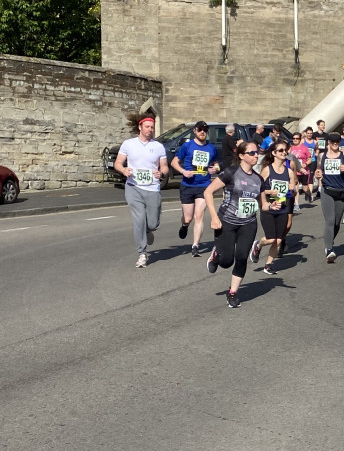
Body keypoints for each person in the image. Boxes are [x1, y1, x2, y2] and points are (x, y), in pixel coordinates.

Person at [205, 141, 280, 308]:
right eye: (252, 153)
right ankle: (217, 254)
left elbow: (263, 204)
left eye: (257, 153)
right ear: (241, 156)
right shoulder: (231, 173)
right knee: (226, 262)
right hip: (227, 221)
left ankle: (232, 293)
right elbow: (208, 192)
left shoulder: (259, 179)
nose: (256, 156)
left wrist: (271, 206)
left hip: (248, 223)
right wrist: (213, 217)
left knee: (241, 258)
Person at [113, 112, 168, 268]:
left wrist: (161, 173)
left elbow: (164, 167)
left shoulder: (158, 147)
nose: (150, 129)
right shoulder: (128, 144)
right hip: (133, 187)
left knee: (152, 223)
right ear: (140, 127)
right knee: (138, 220)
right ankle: (142, 253)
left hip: (152, 189)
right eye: (147, 127)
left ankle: (148, 230)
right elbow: (118, 163)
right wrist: (124, 171)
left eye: (152, 127)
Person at [172, 120, 220, 257]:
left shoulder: (211, 148)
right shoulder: (187, 146)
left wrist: (215, 168)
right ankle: (185, 226)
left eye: (205, 129)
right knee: (188, 218)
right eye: (200, 129)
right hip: (187, 185)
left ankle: (195, 246)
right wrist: (183, 172)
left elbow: (216, 163)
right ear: (195, 131)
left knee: (199, 215)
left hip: (204, 186)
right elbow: (174, 162)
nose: (203, 132)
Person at [250, 142, 297, 275]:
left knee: (279, 239)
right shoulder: (267, 170)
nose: (284, 152)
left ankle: (268, 265)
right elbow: (258, 188)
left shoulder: (289, 172)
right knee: (271, 239)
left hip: (282, 207)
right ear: (274, 153)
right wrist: (271, 192)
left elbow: (293, 190)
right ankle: (258, 245)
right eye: (280, 150)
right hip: (268, 208)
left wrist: (292, 190)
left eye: (285, 150)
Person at [316, 133, 344, 263]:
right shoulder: (321, 156)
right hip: (327, 190)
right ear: (328, 142)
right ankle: (329, 249)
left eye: (337, 141)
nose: (335, 143)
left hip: (341, 191)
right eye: (333, 141)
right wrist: (318, 174)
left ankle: (329, 240)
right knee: (329, 220)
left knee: (336, 223)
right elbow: (318, 171)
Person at [288, 132, 312, 212]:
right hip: (294, 172)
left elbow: (310, 159)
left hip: (304, 171)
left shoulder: (304, 148)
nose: (295, 140)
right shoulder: (290, 148)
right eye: (293, 138)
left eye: (297, 138)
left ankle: (308, 193)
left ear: (300, 139)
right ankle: (296, 204)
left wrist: (305, 164)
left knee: (305, 188)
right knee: (296, 188)